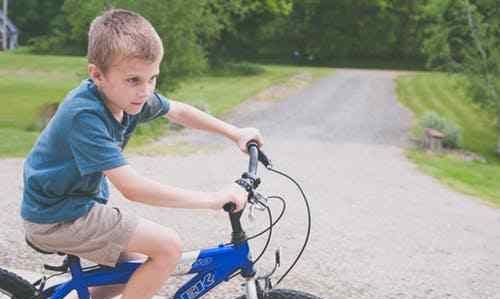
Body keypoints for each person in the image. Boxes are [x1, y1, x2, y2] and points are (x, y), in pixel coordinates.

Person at [21, 8, 263, 299]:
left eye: (153, 78)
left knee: (134, 269)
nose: (146, 91)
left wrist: (235, 133)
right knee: (168, 247)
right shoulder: (84, 116)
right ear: (97, 74)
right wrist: (213, 200)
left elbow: (180, 112)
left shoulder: (127, 97)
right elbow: (133, 188)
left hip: (76, 206)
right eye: (134, 79)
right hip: (57, 217)